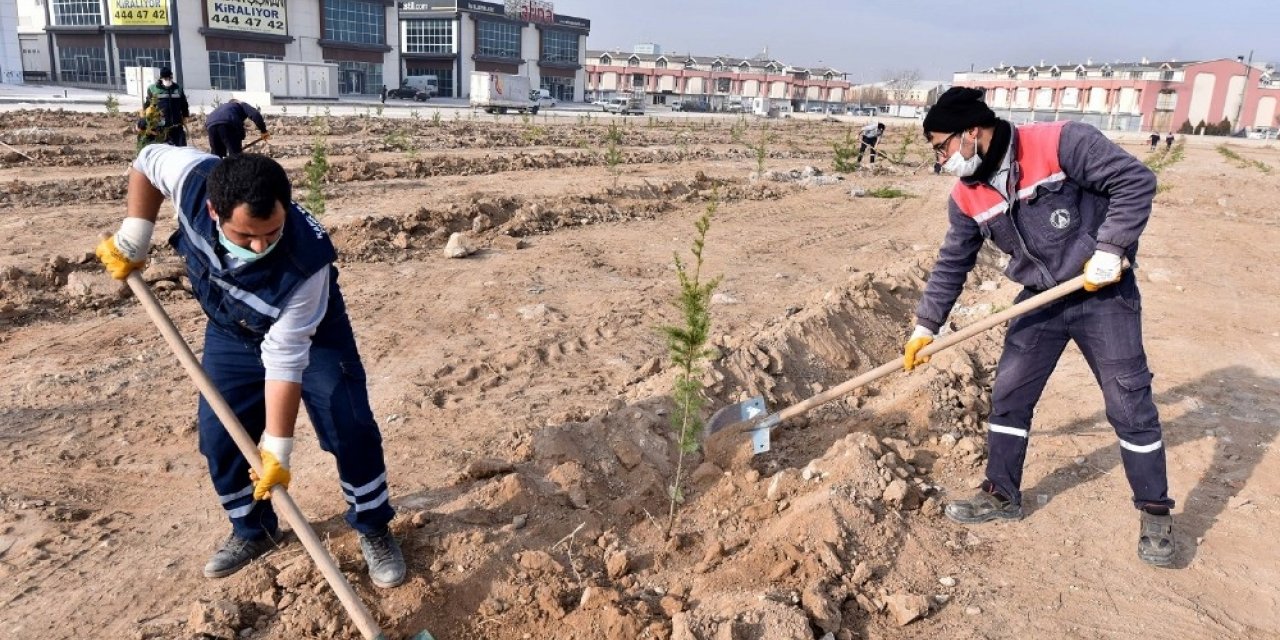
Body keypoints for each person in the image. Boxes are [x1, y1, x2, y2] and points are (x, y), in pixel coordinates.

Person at [94, 145, 408, 586]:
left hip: (312, 336)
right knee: (220, 436)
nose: (261, 245)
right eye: (246, 236)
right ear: (213, 211)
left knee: (348, 423)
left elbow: (285, 358)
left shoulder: (306, 265)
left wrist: (277, 450)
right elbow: (146, 161)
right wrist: (135, 232)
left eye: (273, 232)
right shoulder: (190, 179)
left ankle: (373, 526)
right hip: (230, 331)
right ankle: (252, 529)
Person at [906, 87, 1174, 566]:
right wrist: (926, 326)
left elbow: (1136, 181)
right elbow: (953, 261)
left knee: (1127, 400)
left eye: (941, 146)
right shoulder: (967, 195)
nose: (941, 158)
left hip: (1102, 294)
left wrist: (1111, 249)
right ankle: (1001, 493)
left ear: (971, 132)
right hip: (1040, 301)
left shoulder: (1062, 142)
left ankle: (1154, 511)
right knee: (1009, 394)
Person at [205, 98, 270, 158]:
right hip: (228, 124)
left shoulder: (222, 107)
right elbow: (255, 114)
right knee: (235, 157)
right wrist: (263, 131)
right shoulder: (241, 104)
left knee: (216, 157)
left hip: (210, 125)